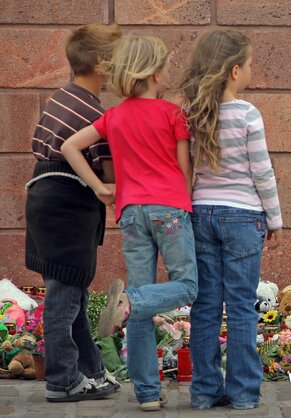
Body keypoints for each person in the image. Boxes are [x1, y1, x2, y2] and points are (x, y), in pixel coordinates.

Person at [61, 34, 198, 412]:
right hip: (169, 208)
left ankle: (148, 394)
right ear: (155, 73)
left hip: (130, 212)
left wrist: (101, 188)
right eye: (167, 65)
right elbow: (185, 171)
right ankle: (129, 301)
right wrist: (185, 204)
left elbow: (69, 146)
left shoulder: (114, 115)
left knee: (140, 304)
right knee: (187, 286)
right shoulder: (174, 115)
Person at [179, 30, 282, 410]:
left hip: (202, 213)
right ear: (235, 70)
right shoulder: (248, 114)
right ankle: (242, 393)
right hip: (243, 217)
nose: (252, 71)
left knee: (205, 305)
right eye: (250, 65)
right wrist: (275, 218)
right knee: (240, 306)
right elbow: (262, 172)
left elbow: (186, 169)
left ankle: (205, 391)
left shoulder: (194, 114)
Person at [24, 23, 122, 402]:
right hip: (69, 206)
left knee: (72, 292)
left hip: (46, 199)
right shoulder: (93, 114)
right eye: (118, 59)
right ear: (101, 63)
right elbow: (110, 174)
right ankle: (63, 379)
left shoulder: (62, 97)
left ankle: (91, 370)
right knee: (64, 297)